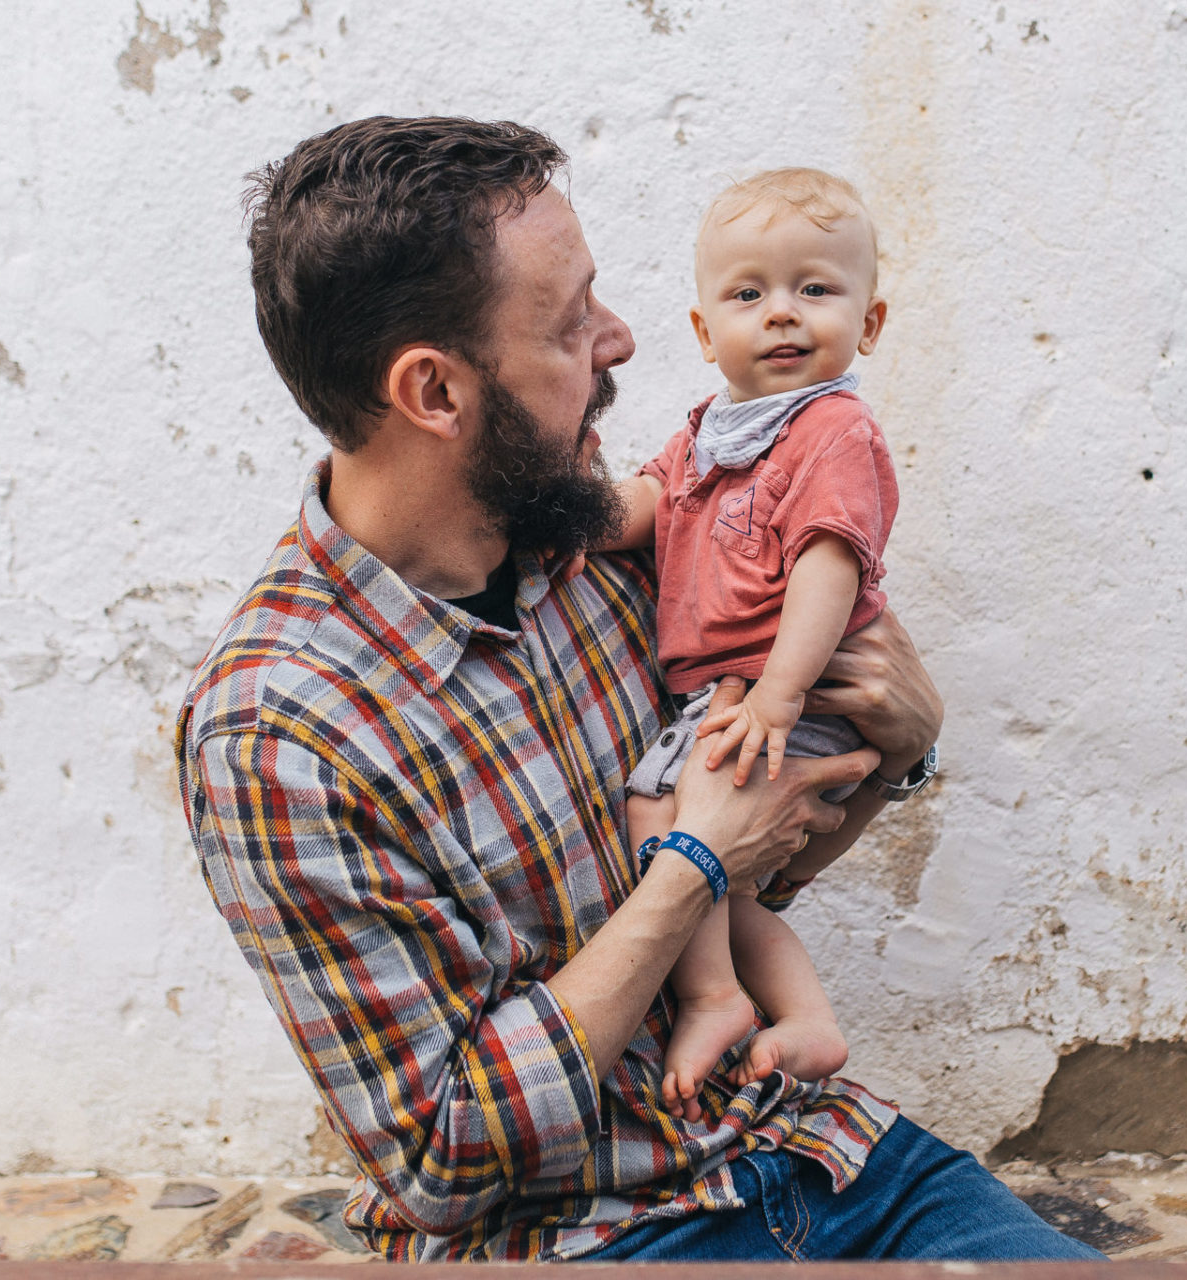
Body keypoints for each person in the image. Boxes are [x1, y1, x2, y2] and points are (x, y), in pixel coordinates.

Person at [175, 115, 1104, 1264]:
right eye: (569, 323)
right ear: (434, 390)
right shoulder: (284, 731)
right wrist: (689, 867)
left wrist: (898, 754)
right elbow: (443, 1156)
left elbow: (768, 876)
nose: (618, 339)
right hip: (588, 1231)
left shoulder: (602, 549)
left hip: (817, 1152)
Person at [600, 168, 897, 1116]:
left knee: (679, 834)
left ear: (870, 322)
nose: (781, 314)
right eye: (748, 294)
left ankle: (717, 996)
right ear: (703, 333)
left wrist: (777, 694)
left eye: (815, 289)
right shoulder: (711, 433)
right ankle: (791, 1014)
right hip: (725, 701)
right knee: (696, 863)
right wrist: (571, 515)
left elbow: (826, 567)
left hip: (786, 701)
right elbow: (646, 504)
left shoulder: (831, 430)